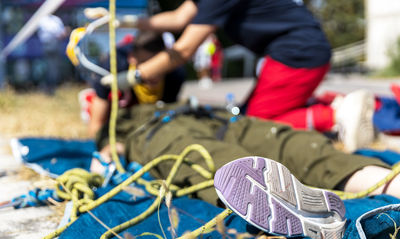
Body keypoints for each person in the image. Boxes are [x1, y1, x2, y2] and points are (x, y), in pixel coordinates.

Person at [91, 102, 400, 239]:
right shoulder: (116, 119)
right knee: (216, 160)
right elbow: (102, 142)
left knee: (299, 145)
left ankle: (390, 182)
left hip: (222, 117)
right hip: (158, 132)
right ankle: (291, 208)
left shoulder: (162, 79)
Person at [99, 0, 374, 152]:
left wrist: (130, 78)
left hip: (297, 54)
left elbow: (183, 50)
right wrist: (124, 21)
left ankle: (334, 115)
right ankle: (336, 107)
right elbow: (178, 18)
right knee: (249, 114)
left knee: (255, 125)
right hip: (300, 49)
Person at [84, 31, 185, 137]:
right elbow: (96, 124)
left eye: (157, 65)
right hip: (120, 102)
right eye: (144, 62)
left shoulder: (175, 73)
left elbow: (166, 116)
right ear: (132, 58)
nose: (152, 72)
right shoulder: (112, 67)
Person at [37, 14, 67, 95]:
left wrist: (62, 33)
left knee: (54, 67)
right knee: (48, 67)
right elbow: (50, 30)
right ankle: (47, 88)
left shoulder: (56, 18)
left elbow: (62, 32)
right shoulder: (42, 19)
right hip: (47, 44)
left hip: (56, 43)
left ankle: (52, 88)